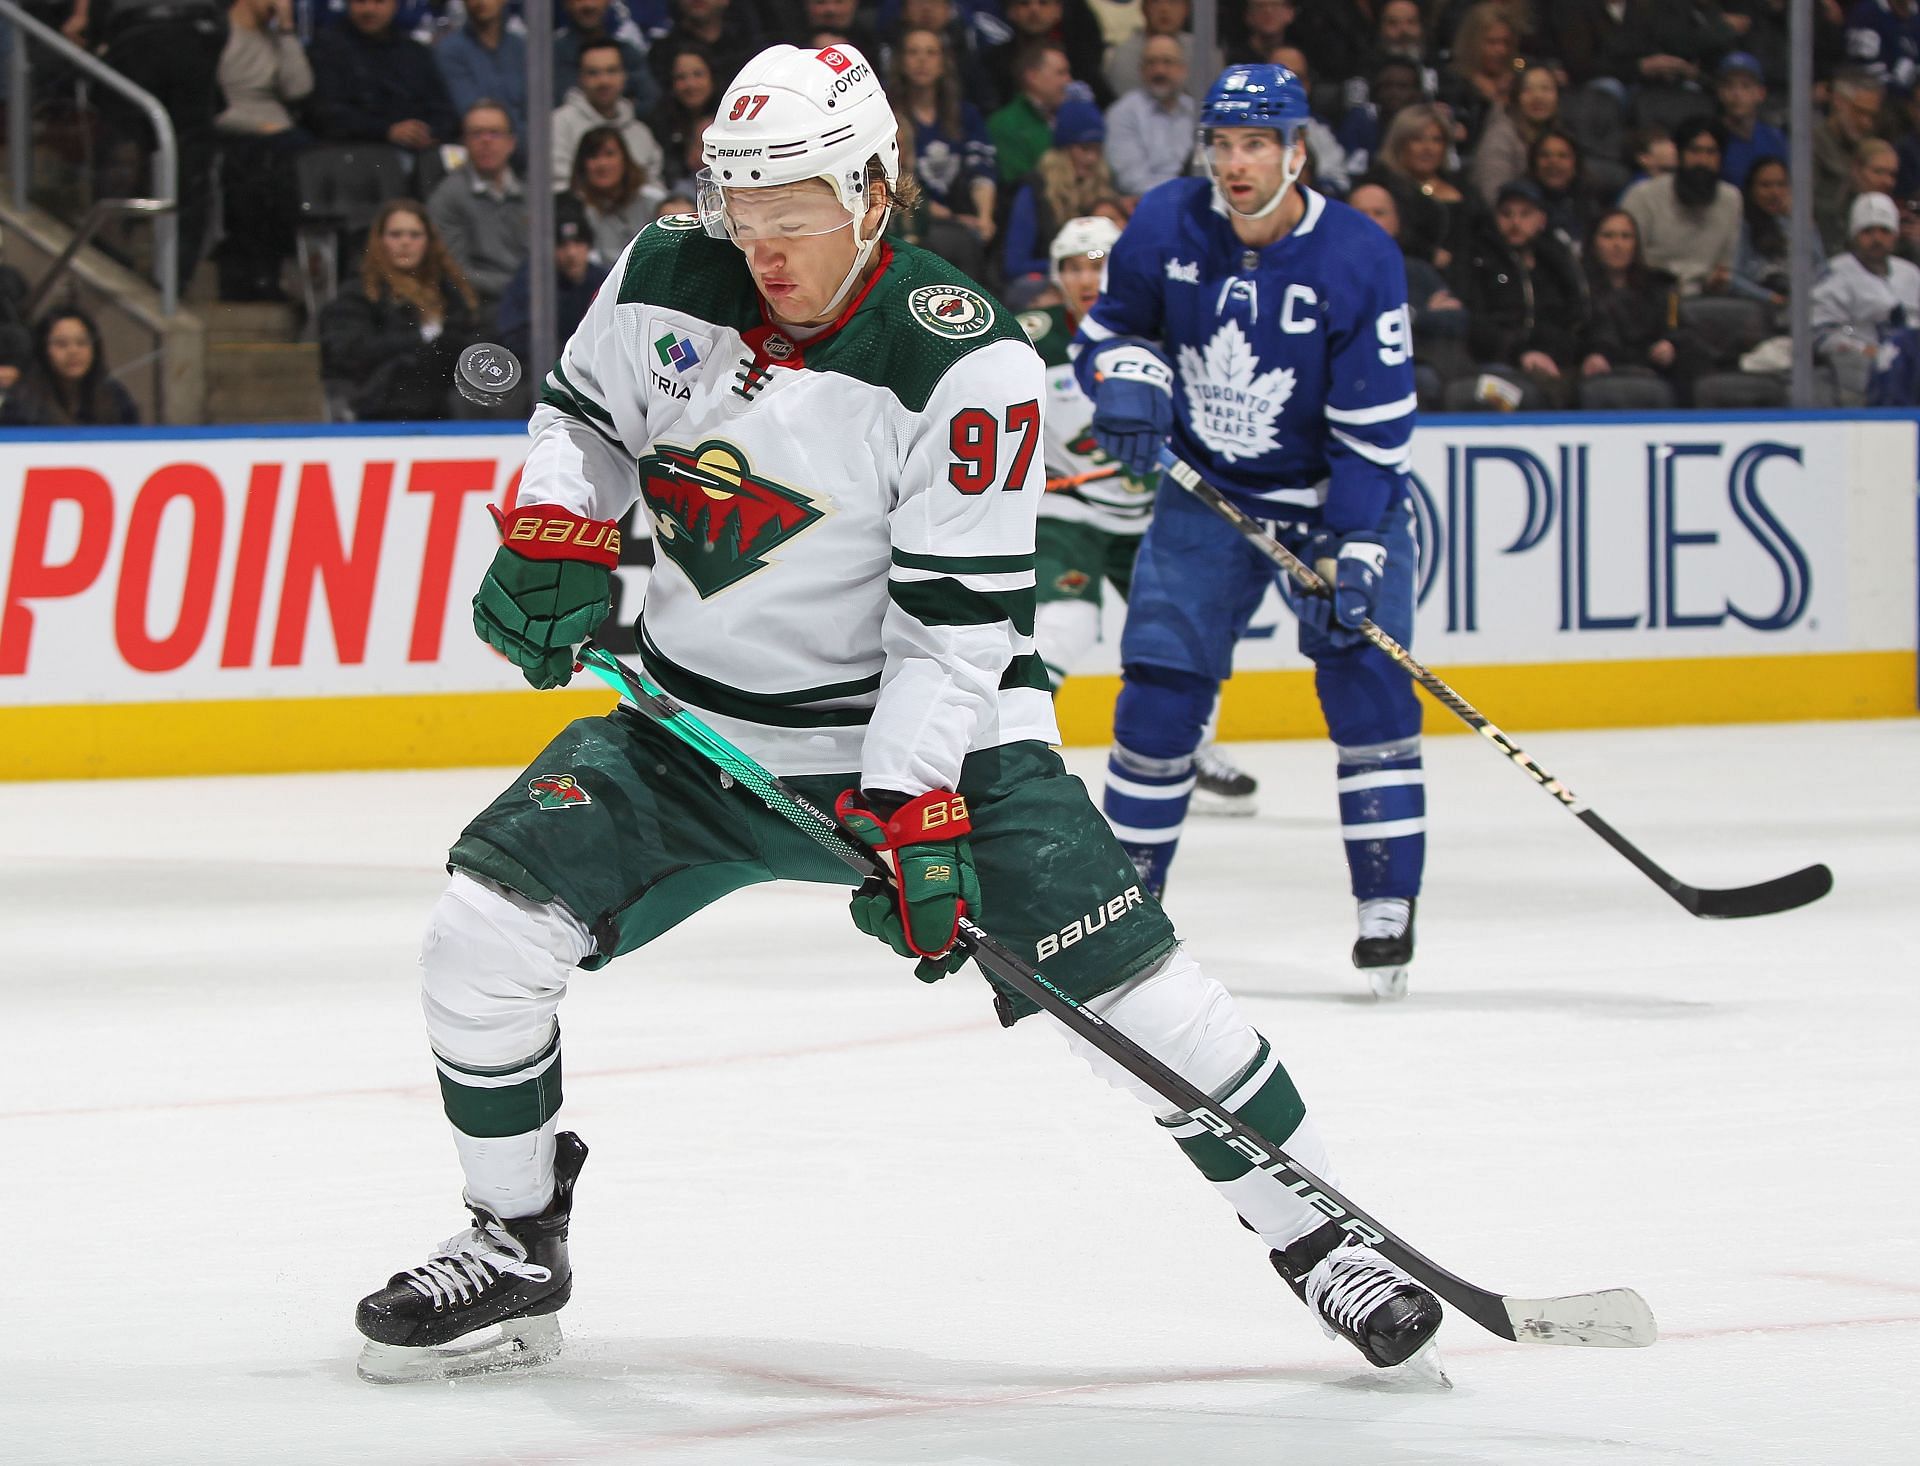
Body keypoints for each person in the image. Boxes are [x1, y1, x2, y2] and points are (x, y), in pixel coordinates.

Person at [350, 39, 1444, 1387]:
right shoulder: (665, 269)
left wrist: (914, 795)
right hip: (696, 736)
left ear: (873, 190)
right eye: (744, 208)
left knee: (1143, 1000)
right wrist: (557, 530)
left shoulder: (962, 362)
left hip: (944, 741)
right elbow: (583, 415)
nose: (764, 244)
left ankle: (1324, 1234)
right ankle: (517, 1241)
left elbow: (952, 629)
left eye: (795, 209)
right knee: (479, 933)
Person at [1072, 64, 1429, 997]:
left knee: (1368, 690)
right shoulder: (1165, 220)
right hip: (1210, 494)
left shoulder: (1358, 255)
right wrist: (1128, 382)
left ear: (1297, 151)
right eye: (1223, 144)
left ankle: (1386, 908)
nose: (1235, 164)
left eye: (1257, 144)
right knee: (1157, 695)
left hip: (1330, 496)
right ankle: (1127, 906)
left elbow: (1375, 432)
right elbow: (1109, 332)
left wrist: (1354, 544)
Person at [1022, 216, 1261, 810]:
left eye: (1099, 262)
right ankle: (1013, 755)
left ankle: (1194, 750)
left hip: (1150, 512)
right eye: (1073, 266)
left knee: (1189, 631)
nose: (1086, 277)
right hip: (1068, 507)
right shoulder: (1033, 336)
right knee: (1067, 622)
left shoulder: (1166, 330)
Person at [73, 0, 228, 292]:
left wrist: (85, 18)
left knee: (125, 149)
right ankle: (174, 275)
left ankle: (112, 254)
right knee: (188, 161)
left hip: (139, 29)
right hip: (195, 30)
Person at [318, 200, 479, 420]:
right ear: (379, 241)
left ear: (429, 242)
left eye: (415, 235)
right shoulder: (358, 294)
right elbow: (349, 353)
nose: (405, 242)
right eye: (396, 234)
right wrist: (416, 343)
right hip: (380, 407)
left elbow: (469, 345)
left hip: (445, 408)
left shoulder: (451, 293)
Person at [1448, 177, 1587, 408]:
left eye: (1525, 214)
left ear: (1541, 219)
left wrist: (1547, 352)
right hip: (1494, 361)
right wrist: (1521, 353)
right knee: (1518, 392)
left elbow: (1575, 315)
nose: (1515, 222)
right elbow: (1473, 320)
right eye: (1507, 214)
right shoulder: (1478, 260)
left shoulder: (1556, 263)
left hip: (1554, 362)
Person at [213, 0, 313, 302]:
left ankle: (284, 265)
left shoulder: (275, 39)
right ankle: (254, 270)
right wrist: (256, 127)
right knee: (260, 168)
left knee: (306, 158)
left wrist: (285, 30)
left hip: (280, 131)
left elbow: (299, 88)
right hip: (233, 127)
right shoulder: (218, 33)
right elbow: (205, 104)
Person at [889, 25, 1000, 275]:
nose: (922, 61)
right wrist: (952, 218)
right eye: (913, 52)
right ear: (900, 61)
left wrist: (984, 216)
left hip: (960, 213)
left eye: (931, 53)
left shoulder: (965, 115)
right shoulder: (887, 113)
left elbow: (982, 170)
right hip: (913, 217)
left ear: (943, 62)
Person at [1578, 209, 1698, 406]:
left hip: (1654, 372)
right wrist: (1591, 355)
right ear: (1593, 242)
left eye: (1626, 237)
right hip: (1594, 375)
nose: (1618, 245)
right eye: (1608, 236)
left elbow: (1681, 329)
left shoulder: (1660, 286)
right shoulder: (1575, 287)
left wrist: (1670, 344)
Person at [307, 0, 456, 155]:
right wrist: (388, 131)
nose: (369, 9)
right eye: (360, 2)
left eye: (379, 2)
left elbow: (443, 109)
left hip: (421, 150)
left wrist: (430, 131)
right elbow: (327, 114)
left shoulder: (415, 52)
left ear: (395, 5)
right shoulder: (326, 49)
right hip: (357, 152)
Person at [1812, 189, 1920, 402]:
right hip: (1860, 370)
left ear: (1895, 236)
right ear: (1854, 235)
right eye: (1868, 231)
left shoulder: (1910, 273)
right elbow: (1821, 333)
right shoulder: (1835, 274)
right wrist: (1861, 348)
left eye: (1884, 231)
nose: (1876, 238)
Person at [427, 101, 529, 324]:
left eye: (494, 133)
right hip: (482, 306)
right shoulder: (447, 197)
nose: (486, 141)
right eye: (477, 134)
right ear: (464, 143)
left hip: (533, 299)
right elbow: (455, 272)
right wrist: (519, 287)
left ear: (511, 142)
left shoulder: (534, 193)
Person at [1620, 115, 1742, 296]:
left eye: (1711, 152)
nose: (1702, 161)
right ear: (1679, 154)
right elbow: (1627, 261)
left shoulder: (1731, 199)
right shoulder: (1643, 196)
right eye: (1695, 151)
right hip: (1650, 295)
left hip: (1705, 300)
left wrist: (1718, 280)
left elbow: (1725, 266)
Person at [496, 196, 610, 389]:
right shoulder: (532, 281)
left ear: (589, 246)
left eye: (578, 243)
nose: (571, 253)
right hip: (542, 376)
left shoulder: (604, 281)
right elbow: (512, 335)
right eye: (562, 245)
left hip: (598, 375)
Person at [1002, 98, 1116, 283]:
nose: (1092, 158)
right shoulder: (1036, 191)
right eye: (1085, 148)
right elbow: (1014, 264)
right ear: (1065, 149)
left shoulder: (1103, 190)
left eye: (1097, 150)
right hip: (1048, 281)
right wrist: (1069, 267)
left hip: (1097, 278)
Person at [553, 37, 667, 193]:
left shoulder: (640, 132)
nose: (604, 81)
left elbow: (654, 191)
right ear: (581, 78)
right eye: (593, 73)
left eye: (611, 71)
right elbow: (558, 187)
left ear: (624, 76)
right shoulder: (559, 124)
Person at [0, 308, 140, 425]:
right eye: (61, 344)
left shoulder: (114, 396)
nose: (73, 352)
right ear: (43, 350)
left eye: (82, 342)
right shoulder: (21, 403)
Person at [1104, 31, 1196, 199]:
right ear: (1141, 70)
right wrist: (1184, 192)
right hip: (1147, 205)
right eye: (1151, 63)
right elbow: (1132, 181)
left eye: (1167, 62)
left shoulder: (1195, 112)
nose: (1159, 70)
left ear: (1183, 70)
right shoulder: (1123, 113)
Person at [433, 0, 528, 146]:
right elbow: (472, 114)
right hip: (480, 148)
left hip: (529, 150)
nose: (480, 1)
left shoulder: (521, 48)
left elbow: (537, 110)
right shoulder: (450, 51)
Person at [570, 126, 662, 261]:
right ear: (583, 165)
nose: (602, 164)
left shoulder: (653, 201)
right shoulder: (574, 208)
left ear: (625, 159)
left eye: (609, 154)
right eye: (593, 156)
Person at [1714, 51, 1785, 188]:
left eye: (1745, 86)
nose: (1737, 94)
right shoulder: (1712, 139)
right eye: (1729, 86)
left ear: (1761, 93)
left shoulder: (1776, 139)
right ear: (1720, 92)